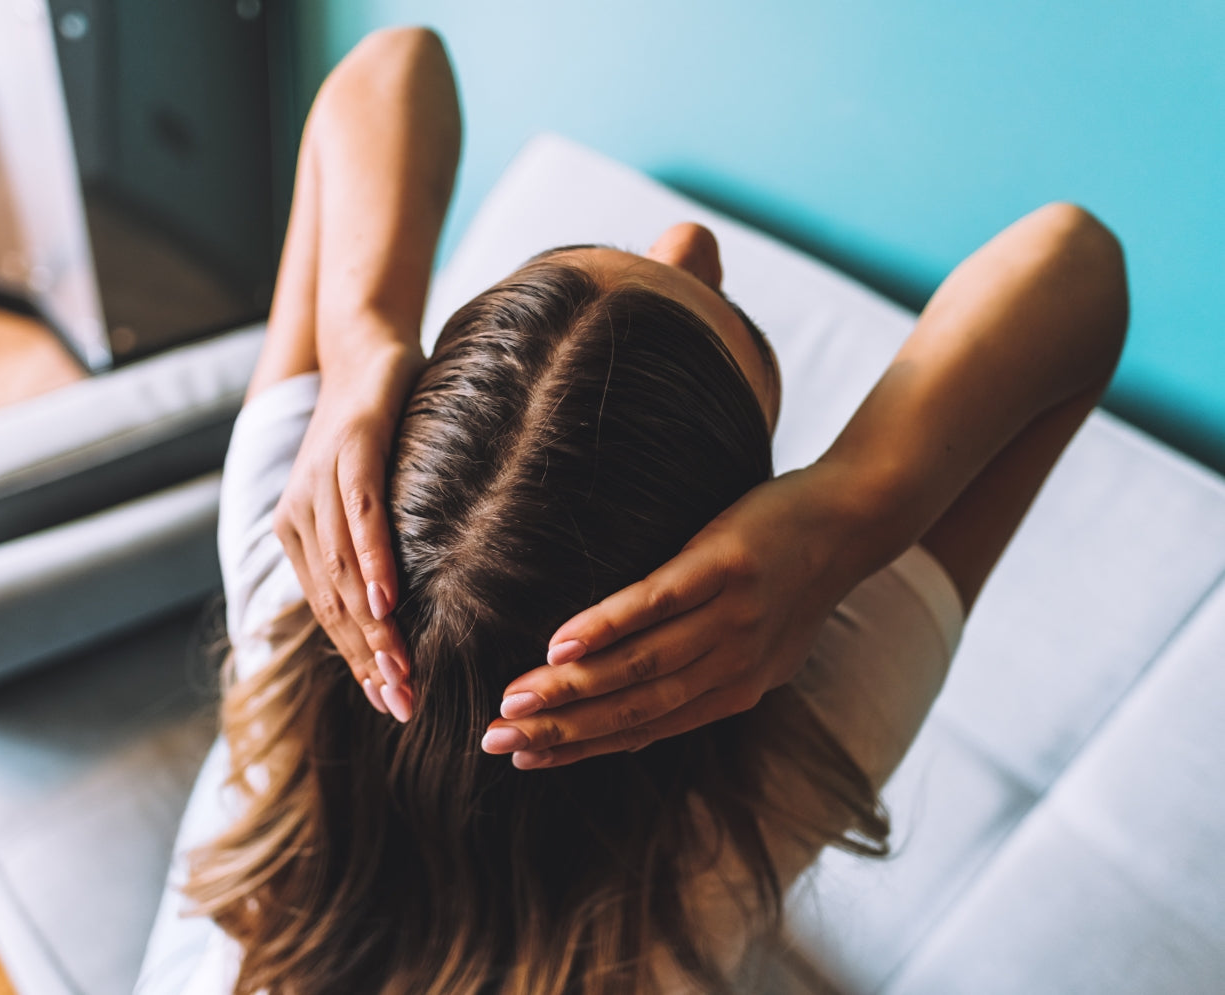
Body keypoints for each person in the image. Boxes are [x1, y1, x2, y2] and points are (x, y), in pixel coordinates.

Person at [183, 26, 1128, 995]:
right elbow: (1076, 263)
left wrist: (359, 342)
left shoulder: (293, 575)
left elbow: (393, 64)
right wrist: (850, 508)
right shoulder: (756, 797)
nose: (688, 240)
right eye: (743, 333)